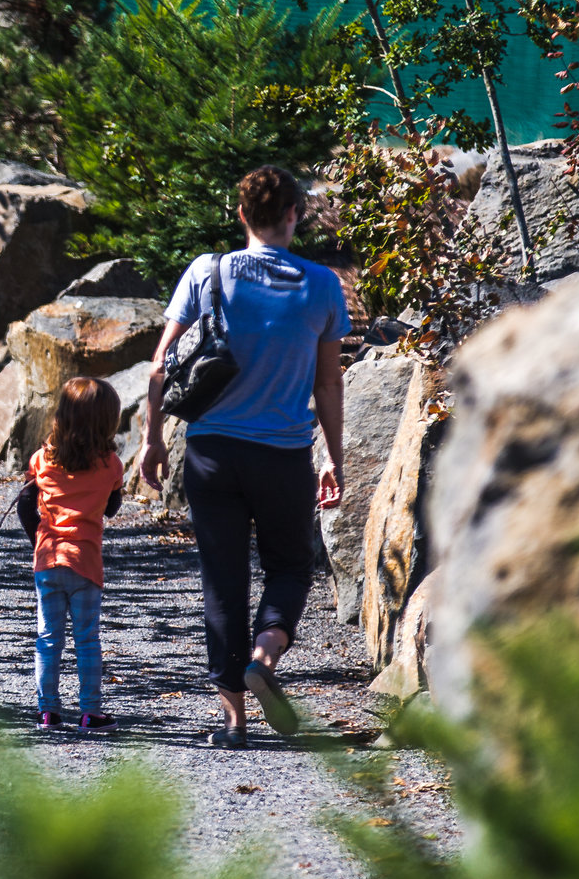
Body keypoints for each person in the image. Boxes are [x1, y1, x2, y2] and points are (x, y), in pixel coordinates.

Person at [139, 165, 348, 748]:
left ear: (240, 216)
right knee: (290, 566)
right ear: (295, 216)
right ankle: (265, 655)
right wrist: (333, 455)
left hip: (210, 455)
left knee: (223, 581)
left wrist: (151, 441)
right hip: (282, 455)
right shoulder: (322, 285)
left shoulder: (208, 273)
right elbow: (328, 384)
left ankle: (233, 722)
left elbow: (160, 367)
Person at [26, 377, 125, 731]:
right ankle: (90, 712)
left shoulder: (42, 459)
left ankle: (47, 711)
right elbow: (112, 506)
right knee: (87, 639)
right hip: (85, 564)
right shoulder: (110, 464)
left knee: (48, 638)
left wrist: (37, 539)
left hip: (47, 561)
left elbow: (26, 503)